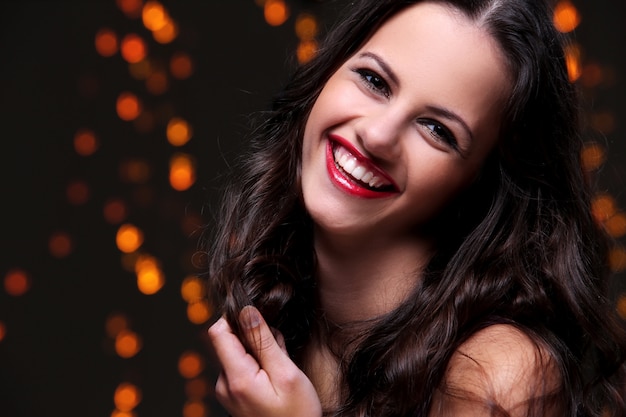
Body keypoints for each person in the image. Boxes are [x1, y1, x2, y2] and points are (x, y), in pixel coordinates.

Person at [203, 0, 626, 415]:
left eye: (436, 129)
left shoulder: (498, 377)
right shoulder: (278, 309)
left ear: (480, 185)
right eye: (374, 80)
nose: (377, 135)